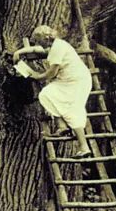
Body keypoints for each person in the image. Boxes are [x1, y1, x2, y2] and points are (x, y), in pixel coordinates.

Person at [13, 25, 92, 158]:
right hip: (67, 80)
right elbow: (39, 50)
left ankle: (84, 147)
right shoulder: (54, 45)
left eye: (39, 40)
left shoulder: (58, 47)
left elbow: (51, 73)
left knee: (72, 110)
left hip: (76, 82)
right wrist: (19, 52)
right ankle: (62, 127)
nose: (38, 44)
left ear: (46, 38)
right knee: (47, 95)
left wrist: (36, 75)